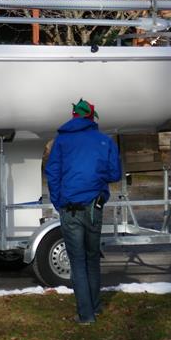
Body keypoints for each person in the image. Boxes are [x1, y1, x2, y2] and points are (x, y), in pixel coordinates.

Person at [45, 98, 122, 325]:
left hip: (69, 210)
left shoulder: (61, 142)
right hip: (93, 208)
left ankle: (85, 315)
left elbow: (53, 174)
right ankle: (95, 308)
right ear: (91, 117)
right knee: (91, 259)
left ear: (74, 115)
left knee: (77, 261)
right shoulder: (104, 141)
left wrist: (59, 203)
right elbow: (114, 174)